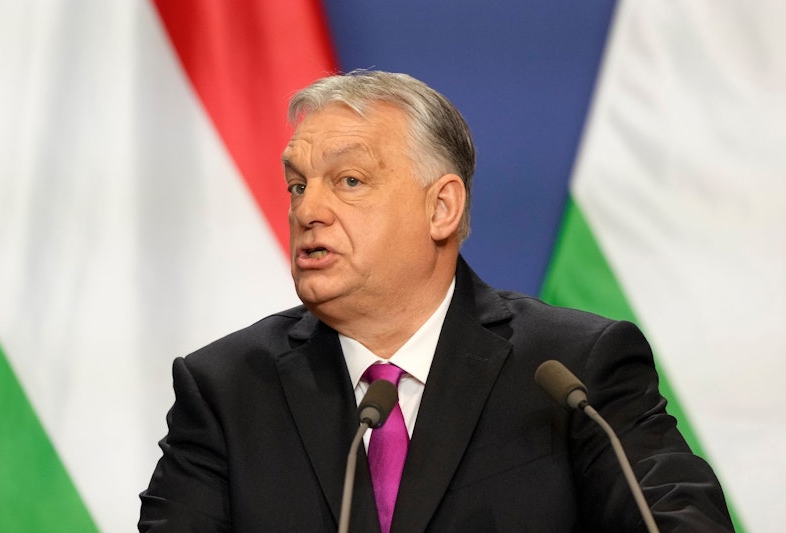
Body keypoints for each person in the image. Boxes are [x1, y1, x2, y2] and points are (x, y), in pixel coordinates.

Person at [139, 70, 733, 532]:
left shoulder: (573, 371)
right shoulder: (227, 389)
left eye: (349, 181)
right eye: (298, 185)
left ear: (441, 208)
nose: (307, 210)